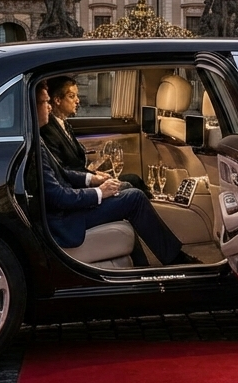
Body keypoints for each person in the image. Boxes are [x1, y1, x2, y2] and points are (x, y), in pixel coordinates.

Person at [33, 82, 195, 267]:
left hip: (69, 210)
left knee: (127, 191)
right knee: (134, 197)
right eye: (44, 102)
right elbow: (57, 195)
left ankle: (142, 266)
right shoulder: (39, 143)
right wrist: (99, 192)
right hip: (65, 221)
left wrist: (91, 178)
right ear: (32, 107)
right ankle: (173, 260)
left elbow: (63, 173)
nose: (49, 107)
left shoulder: (38, 140)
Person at [42, 75, 147, 193]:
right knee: (129, 187)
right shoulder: (48, 130)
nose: (77, 100)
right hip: (75, 187)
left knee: (134, 179)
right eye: (72, 96)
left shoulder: (64, 124)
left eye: (77, 95)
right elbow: (61, 171)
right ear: (57, 100)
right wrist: (92, 178)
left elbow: (77, 164)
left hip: (82, 179)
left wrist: (95, 173)